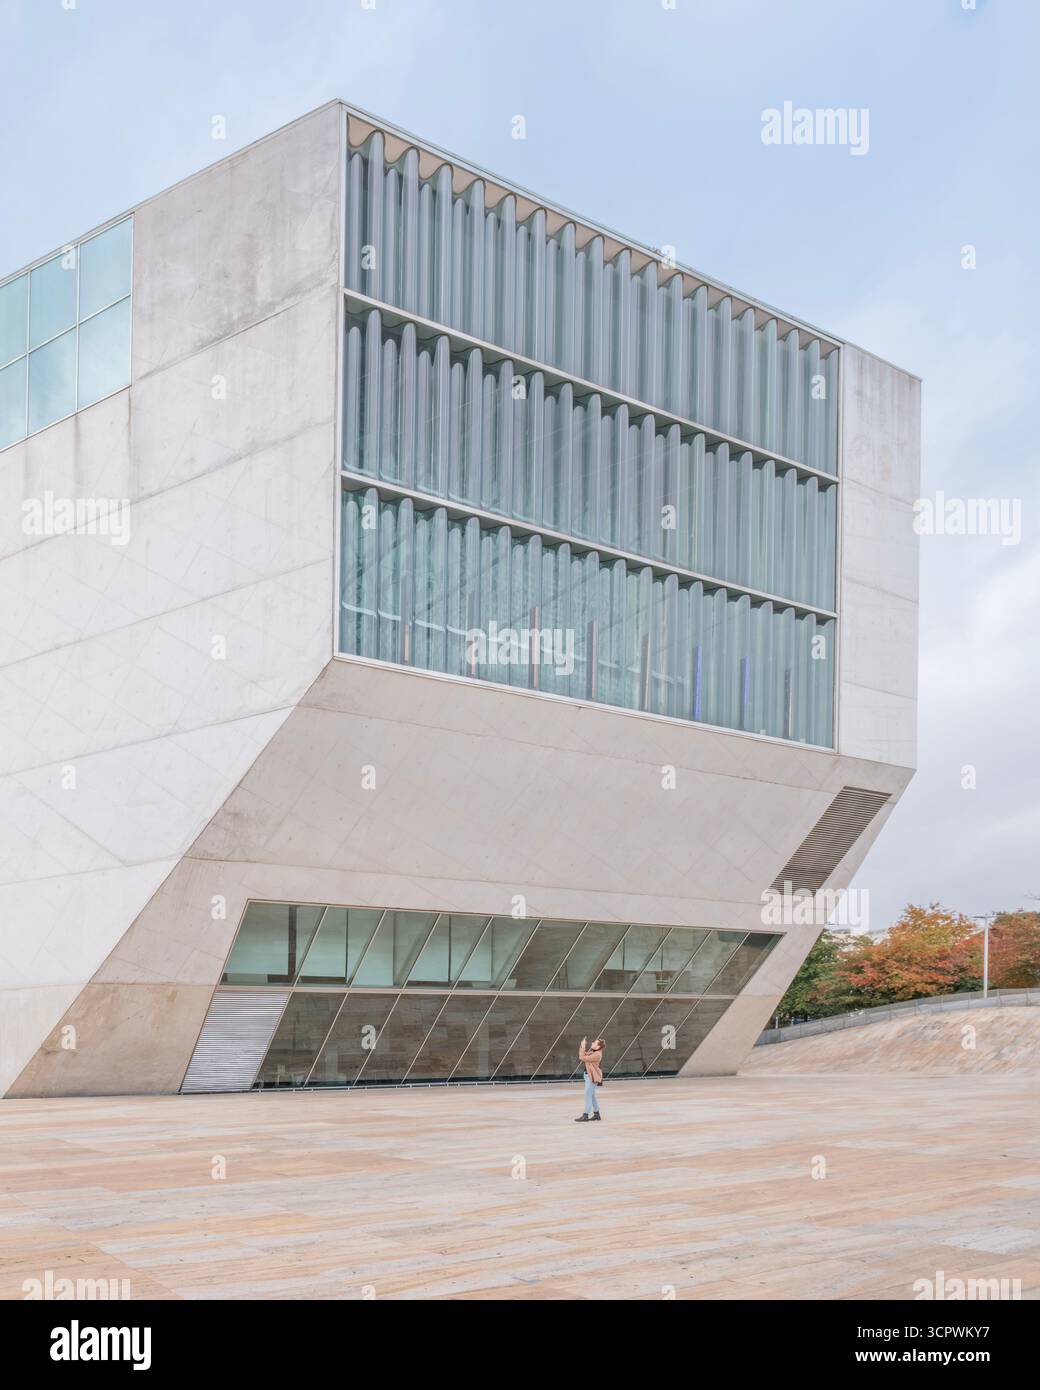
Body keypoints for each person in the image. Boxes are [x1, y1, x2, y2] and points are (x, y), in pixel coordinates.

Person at [575, 1036, 606, 1121]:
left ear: (598, 1046)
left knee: (587, 1096)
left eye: (594, 1043)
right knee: (592, 1096)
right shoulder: (593, 1051)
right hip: (588, 1076)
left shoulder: (597, 1054)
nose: (592, 1043)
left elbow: (582, 1057)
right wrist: (583, 1046)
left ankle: (585, 1115)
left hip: (591, 1077)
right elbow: (584, 1055)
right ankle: (597, 1115)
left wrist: (583, 1046)